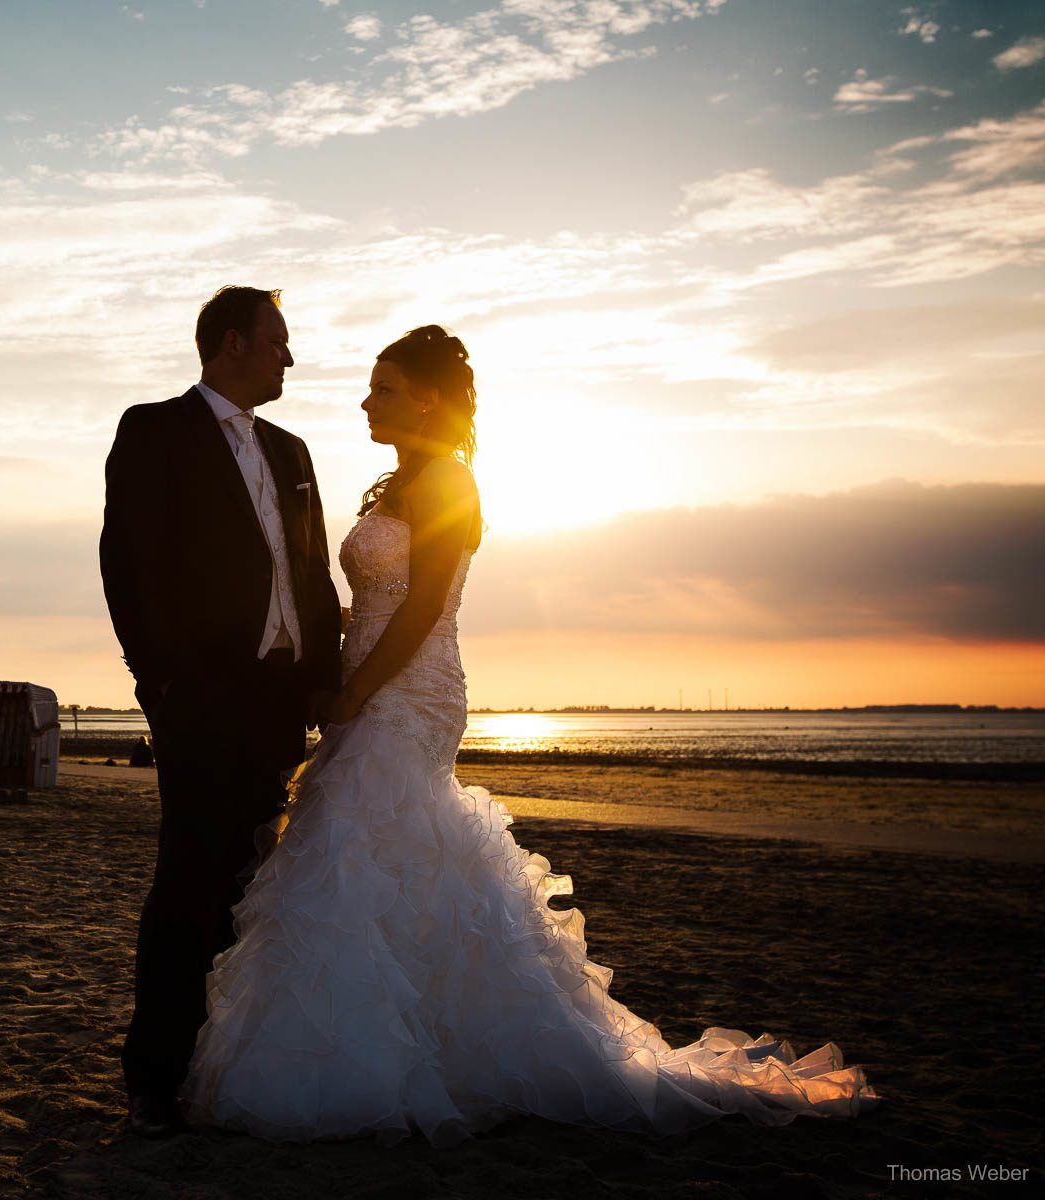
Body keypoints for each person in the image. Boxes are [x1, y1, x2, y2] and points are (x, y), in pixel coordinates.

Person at [181, 325, 878, 1143]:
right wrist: (325, 667)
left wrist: (355, 692)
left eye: (385, 387)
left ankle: (384, 1062)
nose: (367, 400)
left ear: (429, 397)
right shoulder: (396, 485)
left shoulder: (450, 482)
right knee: (372, 856)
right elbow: (369, 603)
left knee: (361, 845)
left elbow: (423, 607)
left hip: (413, 691)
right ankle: (402, 1043)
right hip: (367, 688)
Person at [100, 286, 344, 1137]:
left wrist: (325, 675)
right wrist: (159, 683)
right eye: (279, 340)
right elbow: (126, 561)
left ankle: (224, 1057)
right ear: (232, 343)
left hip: (281, 698)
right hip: (199, 697)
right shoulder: (153, 430)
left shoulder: (292, 449)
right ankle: (155, 1077)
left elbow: (311, 578)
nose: (290, 356)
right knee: (189, 878)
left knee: (253, 883)